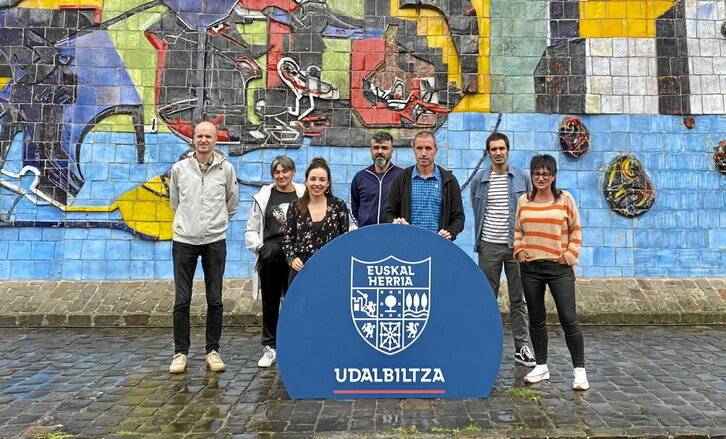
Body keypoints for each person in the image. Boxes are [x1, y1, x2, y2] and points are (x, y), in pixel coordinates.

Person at [168, 121, 239, 374]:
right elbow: (175, 202)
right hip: (184, 241)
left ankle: (212, 351)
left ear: (215, 140)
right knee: (182, 300)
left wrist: (215, 223)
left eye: (208, 136)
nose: (204, 140)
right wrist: (187, 223)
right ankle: (180, 353)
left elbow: (231, 202)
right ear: (193, 139)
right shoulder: (179, 169)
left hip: (214, 241)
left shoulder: (226, 169)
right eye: (200, 136)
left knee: (215, 299)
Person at [514, 154, 588, 390]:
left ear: (554, 176)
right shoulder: (524, 201)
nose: (541, 178)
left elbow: (576, 230)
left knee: (568, 318)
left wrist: (569, 255)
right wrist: (518, 250)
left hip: (559, 268)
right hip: (531, 268)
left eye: (546, 174)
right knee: (536, 319)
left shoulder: (565, 199)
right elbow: (517, 229)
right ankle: (541, 365)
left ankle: (579, 370)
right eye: (537, 173)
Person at [471, 132, 535, 367]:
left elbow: (529, 210)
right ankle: (484, 344)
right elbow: (477, 208)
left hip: (516, 246)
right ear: (488, 153)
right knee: (487, 298)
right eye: (493, 149)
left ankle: (522, 347)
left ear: (508, 150)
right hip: (488, 246)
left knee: (519, 299)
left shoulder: (522, 177)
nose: (498, 153)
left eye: (501, 148)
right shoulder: (479, 180)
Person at [244, 156, 305, 368]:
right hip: (271, 253)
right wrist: (260, 248)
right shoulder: (263, 197)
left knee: (295, 300)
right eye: (277, 172)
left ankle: (294, 343)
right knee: (270, 302)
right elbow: (251, 229)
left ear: (293, 172)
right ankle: (270, 346)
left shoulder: (303, 194)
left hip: (296, 254)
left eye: (285, 171)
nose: (281, 176)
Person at [385, 131, 465, 240]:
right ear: (414, 150)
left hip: (438, 243)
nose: (423, 153)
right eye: (419, 148)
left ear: (435, 150)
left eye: (428, 148)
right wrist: (395, 222)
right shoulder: (401, 179)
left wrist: (450, 233)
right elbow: (390, 213)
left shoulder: (449, 181)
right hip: (407, 242)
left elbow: (458, 217)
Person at [282, 157, 349, 284]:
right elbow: (287, 240)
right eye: (312, 179)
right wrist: (292, 258)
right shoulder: (295, 206)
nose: (317, 183)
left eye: (322, 179)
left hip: (331, 268)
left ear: (328, 183)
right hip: (302, 268)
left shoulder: (338, 205)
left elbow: (344, 239)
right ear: (306, 181)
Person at [350, 132, 403, 227]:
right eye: (376, 147)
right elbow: (355, 208)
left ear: (391, 151)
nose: (380, 152)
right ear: (370, 150)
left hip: (393, 232)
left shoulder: (401, 176)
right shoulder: (360, 177)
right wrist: (363, 223)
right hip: (367, 232)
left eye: (384, 148)